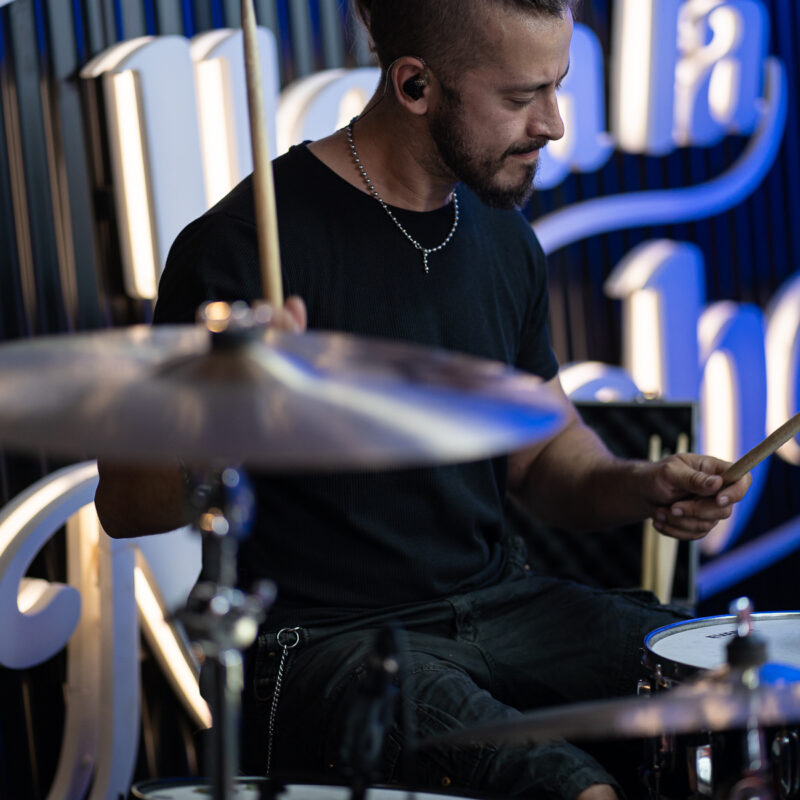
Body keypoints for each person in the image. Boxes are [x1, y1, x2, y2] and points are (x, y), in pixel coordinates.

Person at [95, 1, 753, 798]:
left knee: (729, 694)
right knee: (559, 782)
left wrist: (637, 486)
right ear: (414, 85)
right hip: (323, 643)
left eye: (558, 88)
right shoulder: (242, 246)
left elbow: (545, 458)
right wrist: (235, 411)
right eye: (520, 98)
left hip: (502, 606)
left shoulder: (502, 234)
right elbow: (126, 503)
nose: (552, 124)